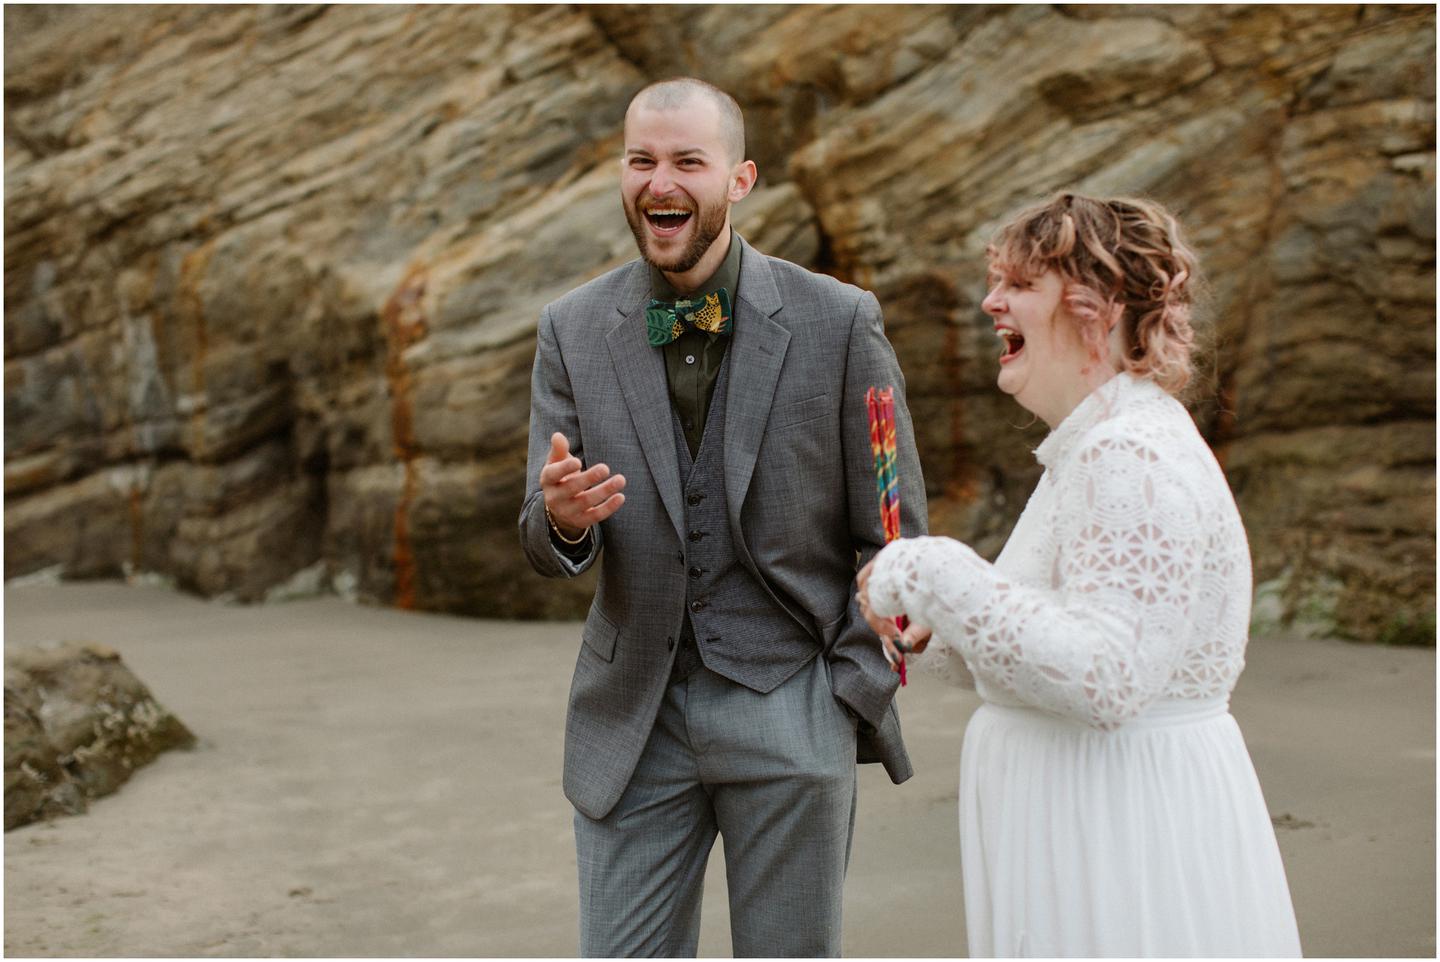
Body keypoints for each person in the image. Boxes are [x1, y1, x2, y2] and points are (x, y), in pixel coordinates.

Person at [519, 77, 927, 957]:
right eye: (642, 161)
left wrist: (846, 700)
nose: (660, 183)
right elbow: (545, 542)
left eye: (686, 162)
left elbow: (895, 538)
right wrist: (562, 521)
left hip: (793, 708)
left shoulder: (841, 322)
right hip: (633, 718)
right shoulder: (571, 329)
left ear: (739, 180)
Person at [857, 193, 1302, 957]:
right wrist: (946, 630)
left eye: (1019, 284)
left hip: (1118, 827)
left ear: (1096, 306)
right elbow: (1056, 643)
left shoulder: (1125, 453)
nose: (991, 301)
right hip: (1092, 810)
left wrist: (925, 565)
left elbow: (1107, 676)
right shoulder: (1095, 444)